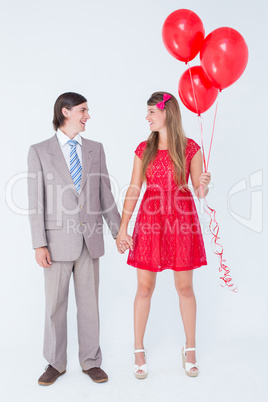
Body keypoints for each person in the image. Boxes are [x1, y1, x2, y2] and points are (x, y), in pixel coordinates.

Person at [27, 92, 121, 385]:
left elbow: (105, 194)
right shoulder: (40, 151)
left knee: (90, 305)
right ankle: (55, 363)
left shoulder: (96, 149)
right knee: (55, 305)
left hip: (90, 240)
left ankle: (91, 361)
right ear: (66, 112)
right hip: (55, 244)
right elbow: (36, 202)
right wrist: (38, 243)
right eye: (83, 110)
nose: (88, 116)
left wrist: (120, 232)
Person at [116, 92, 211, 379]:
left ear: (166, 112)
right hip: (151, 220)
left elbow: (199, 191)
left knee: (185, 288)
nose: (147, 118)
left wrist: (206, 183)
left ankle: (190, 347)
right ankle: (138, 348)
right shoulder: (143, 149)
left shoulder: (191, 148)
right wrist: (123, 227)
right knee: (144, 288)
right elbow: (134, 188)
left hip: (182, 220)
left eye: (151, 113)